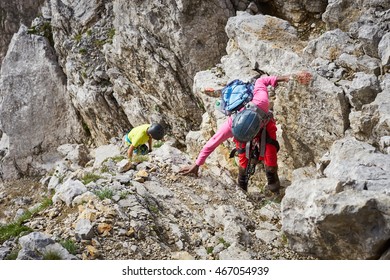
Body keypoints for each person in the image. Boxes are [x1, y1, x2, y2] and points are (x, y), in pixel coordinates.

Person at [179, 71, 311, 193]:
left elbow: (262, 80)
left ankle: (274, 186)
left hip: (264, 125)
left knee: (270, 158)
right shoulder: (232, 125)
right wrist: (197, 164)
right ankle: (242, 188)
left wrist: (284, 78)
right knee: (243, 159)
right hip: (243, 132)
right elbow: (212, 143)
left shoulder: (261, 101)